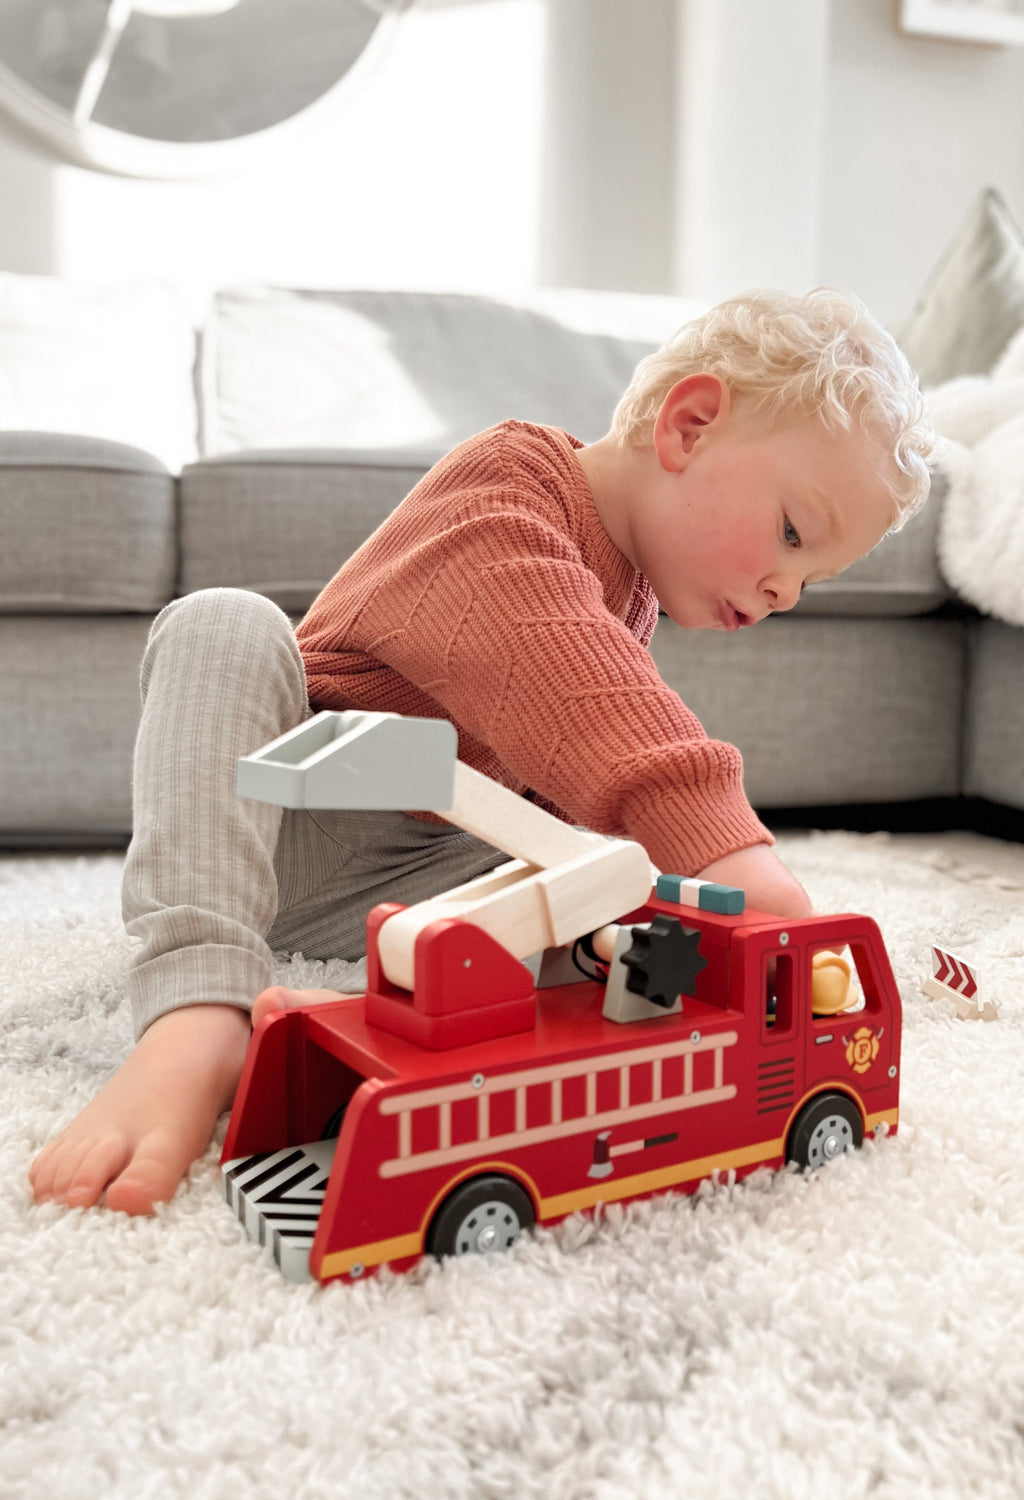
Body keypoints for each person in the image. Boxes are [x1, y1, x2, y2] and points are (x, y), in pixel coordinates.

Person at [29, 287, 935, 1218]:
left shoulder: (632, 595)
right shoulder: (508, 485)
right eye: (792, 534)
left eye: (812, 579)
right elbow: (579, 683)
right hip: (280, 818)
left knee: (605, 886)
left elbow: (570, 781)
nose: (787, 590)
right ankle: (195, 1013)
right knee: (222, 625)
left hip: (410, 872)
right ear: (690, 426)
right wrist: (728, 848)